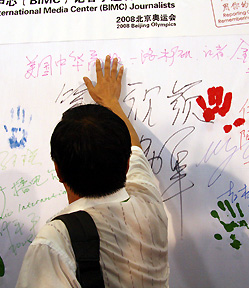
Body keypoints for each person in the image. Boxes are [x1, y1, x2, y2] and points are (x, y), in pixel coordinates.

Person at [15, 56, 169, 287]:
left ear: (58, 170)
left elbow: (133, 149)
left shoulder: (55, 240)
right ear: (126, 165)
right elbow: (135, 147)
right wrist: (111, 101)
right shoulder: (149, 204)